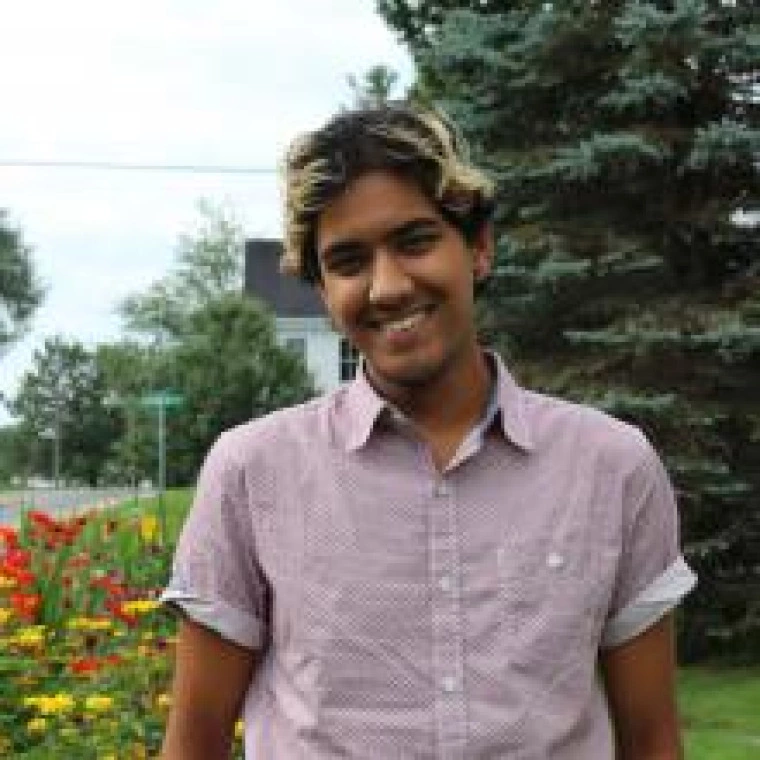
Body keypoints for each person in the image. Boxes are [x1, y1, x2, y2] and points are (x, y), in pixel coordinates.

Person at [159, 102, 696, 759]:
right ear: (324, 293)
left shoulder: (611, 466)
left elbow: (652, 740)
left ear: (478, 248)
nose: (386, 287)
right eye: (349, 261)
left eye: (415, 241)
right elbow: (195, 741)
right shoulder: (252, 472)